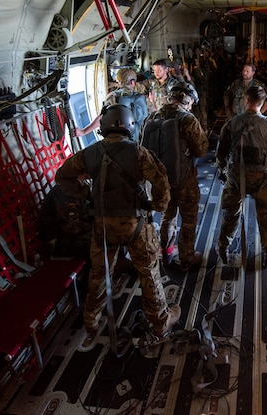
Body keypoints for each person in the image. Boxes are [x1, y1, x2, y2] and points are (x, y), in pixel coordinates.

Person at [54, 104, 180, 348]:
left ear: (104, 126)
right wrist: (157, 206)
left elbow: (62, 177)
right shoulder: (140, 153)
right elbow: (161, 181)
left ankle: (91, 320)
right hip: (136, 224)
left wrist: (85, 192)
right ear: (131, 125)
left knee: (100, 273)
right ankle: (160, 321)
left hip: (102, 226)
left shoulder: (88, 154)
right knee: (149, 272)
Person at [215, 86, 267, 268]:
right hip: (262, 177)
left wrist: (223, 170)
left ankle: (223, 247)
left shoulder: (231, 123)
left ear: (245, 100)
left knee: (230, 214)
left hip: (236, 176)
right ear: (261, 104)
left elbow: (220, 151)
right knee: (266, 217)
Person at [140, 85, 209, 271]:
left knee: (167, 216)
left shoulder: (150, 118)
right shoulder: (187, 119)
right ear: (186, 100)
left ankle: (166, 251)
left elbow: (142, 150)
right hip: (184, 179)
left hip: (159, 182)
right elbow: (201, 150)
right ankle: (186, 258)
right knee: (188, 220)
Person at [74, 67, 148, 142]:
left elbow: (102, 118)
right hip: (143, 142)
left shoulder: (114, 97)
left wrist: (83, 132)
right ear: (132, 82)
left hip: (123, 142)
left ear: (119, 82)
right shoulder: (144, 97)